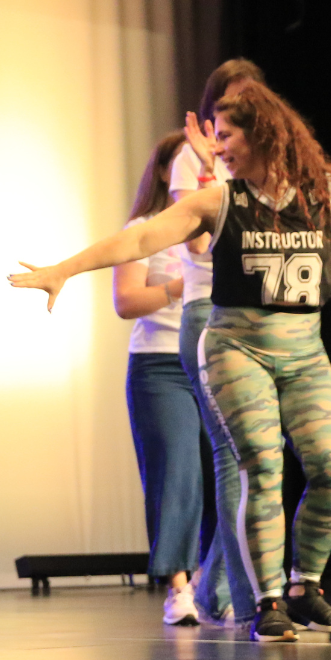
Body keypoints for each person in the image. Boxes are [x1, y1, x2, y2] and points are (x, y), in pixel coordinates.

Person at [12, 83, 331, 642]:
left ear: (264, 135)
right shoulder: (219, 201)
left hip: (304, 353)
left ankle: (305, 587)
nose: (218, 147)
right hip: (235, 349)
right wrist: (64, 269)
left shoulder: (330, 196)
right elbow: (140, 241)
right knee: (262, 466)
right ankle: (267, 601)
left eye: (227, 135)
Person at [171, 59, 266, 628]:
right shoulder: (192, 160)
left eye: (250, 100)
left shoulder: (261, 164)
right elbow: (199, 246)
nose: (239, 111)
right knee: (235, 459)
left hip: (255, 317)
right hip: (209, 312)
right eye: (230, 102)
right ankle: (249, 599)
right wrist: (210, 172)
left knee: (255, 457)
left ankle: (214, 589)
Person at [115, 132, 207, 626]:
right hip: (161, 365)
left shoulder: (221, 225)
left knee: (234, 471)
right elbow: (126, 301)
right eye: (184, 161)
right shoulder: (144, 229)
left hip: (216, 362)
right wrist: (178, 285)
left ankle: (223, 583)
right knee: (176, 471)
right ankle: (179, 588)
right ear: (166, 173)